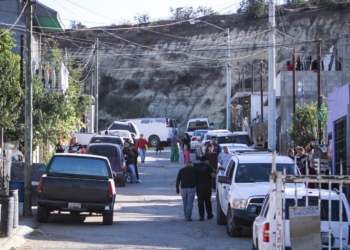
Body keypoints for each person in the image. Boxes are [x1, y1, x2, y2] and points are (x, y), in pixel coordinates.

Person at [193, 156, 215, 221]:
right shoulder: (209, 167)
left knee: (200, 202)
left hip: (199, 186)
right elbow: (213, 176)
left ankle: (201, 216)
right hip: (208, 186)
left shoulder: (196, 166)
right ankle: (209, 214)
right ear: (206, 160)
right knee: (208, 201)